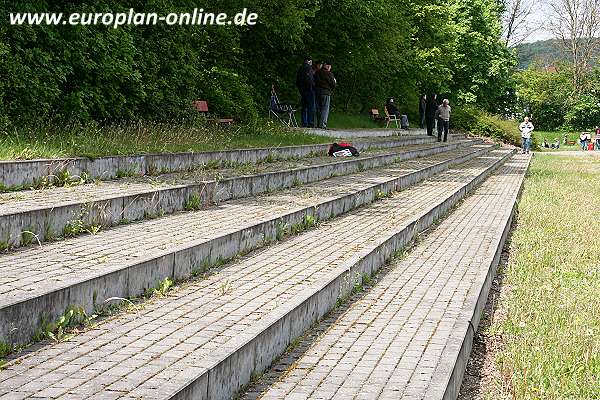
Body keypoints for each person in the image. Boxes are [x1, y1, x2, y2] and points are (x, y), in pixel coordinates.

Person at [315, 60, 336, 129]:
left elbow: (314, 81)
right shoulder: (329, 74)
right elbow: (333, 84)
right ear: (327, 65)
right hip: (326, 93)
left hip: (317, 92)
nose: (330, 67)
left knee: (318, 109)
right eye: (329, 66)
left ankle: (318, 124)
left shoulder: (317, 72)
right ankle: (322, 125)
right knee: (325, 109)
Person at [295, 57, 315, 128]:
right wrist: (311, 87)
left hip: (302, 90)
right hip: (308, 90)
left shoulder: (300, 68)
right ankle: (310, 123)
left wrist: (300, 89)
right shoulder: (308, 68)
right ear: (309, 61)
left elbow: (297, 81)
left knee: (304, 106)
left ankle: (304, 122)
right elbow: (309, 80)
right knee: (311, 106)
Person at [313, 61, 323, 126]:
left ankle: (319, 123)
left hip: (319, 91)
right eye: (319, 65)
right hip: (314, 91)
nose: (320, 66)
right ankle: (315, 123)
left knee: (320, 108)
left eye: (321, 65)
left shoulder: (321, 72)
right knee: (316, 108)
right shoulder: (313, 71)